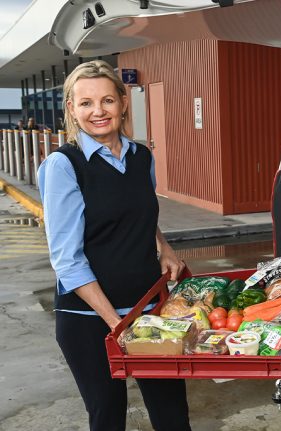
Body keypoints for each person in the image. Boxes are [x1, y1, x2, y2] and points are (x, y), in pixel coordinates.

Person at [37, 60, 192, 431]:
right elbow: (67, 261)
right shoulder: (63, 165)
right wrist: (117, 324)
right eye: (86, 103)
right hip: (91, 321)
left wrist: (164, 247)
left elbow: (139, 211)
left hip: (148, 308)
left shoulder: (141, 156)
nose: (98, 111)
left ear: (124, 102)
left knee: (173, 416)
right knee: (108, 418)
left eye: (107, 100)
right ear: (71, 109)